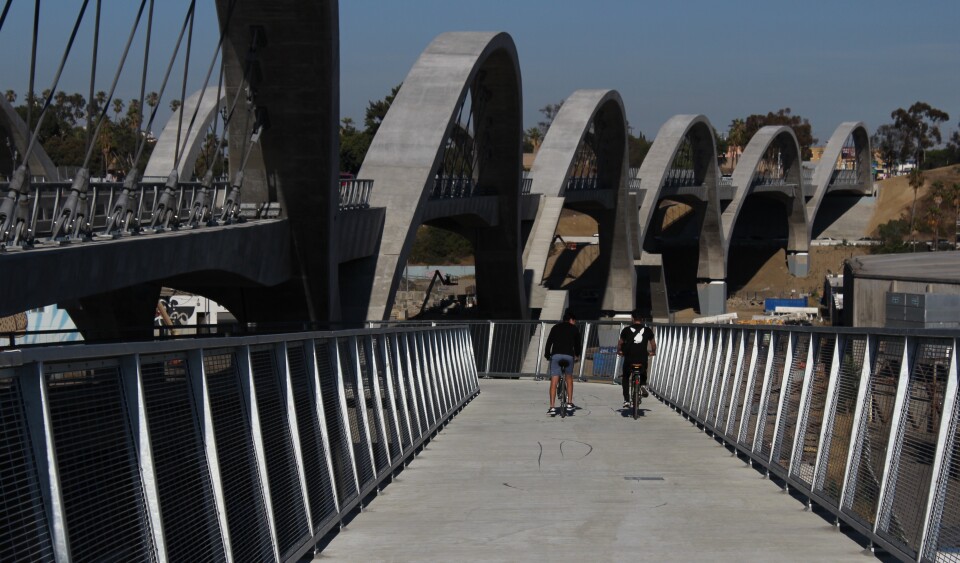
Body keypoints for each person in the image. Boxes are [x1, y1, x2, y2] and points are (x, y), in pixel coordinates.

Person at [543, 310, 580, 414]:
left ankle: (552, 407)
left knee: (554, 380)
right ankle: (569, 403)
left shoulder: (555, 327)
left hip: (556, 355)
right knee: (569, 378)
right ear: (571, 320)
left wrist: (547, 355)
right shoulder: (574, 329)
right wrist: (577, 355)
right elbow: (578, 345)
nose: (575, 323)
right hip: (568, 356)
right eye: (574, 321)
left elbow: (549, 342)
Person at [617, 309, 656, 408]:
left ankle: (626, 400)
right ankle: (642, 384)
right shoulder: (647, 330)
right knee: (644, 368)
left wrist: (619, 351)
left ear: (632, 319)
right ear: (642, 319)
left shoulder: (626, 330)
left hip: (629, 359)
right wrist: (653, 352)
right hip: (642, 358)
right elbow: (653, 344)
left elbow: (620, 343)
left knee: (625, 377)